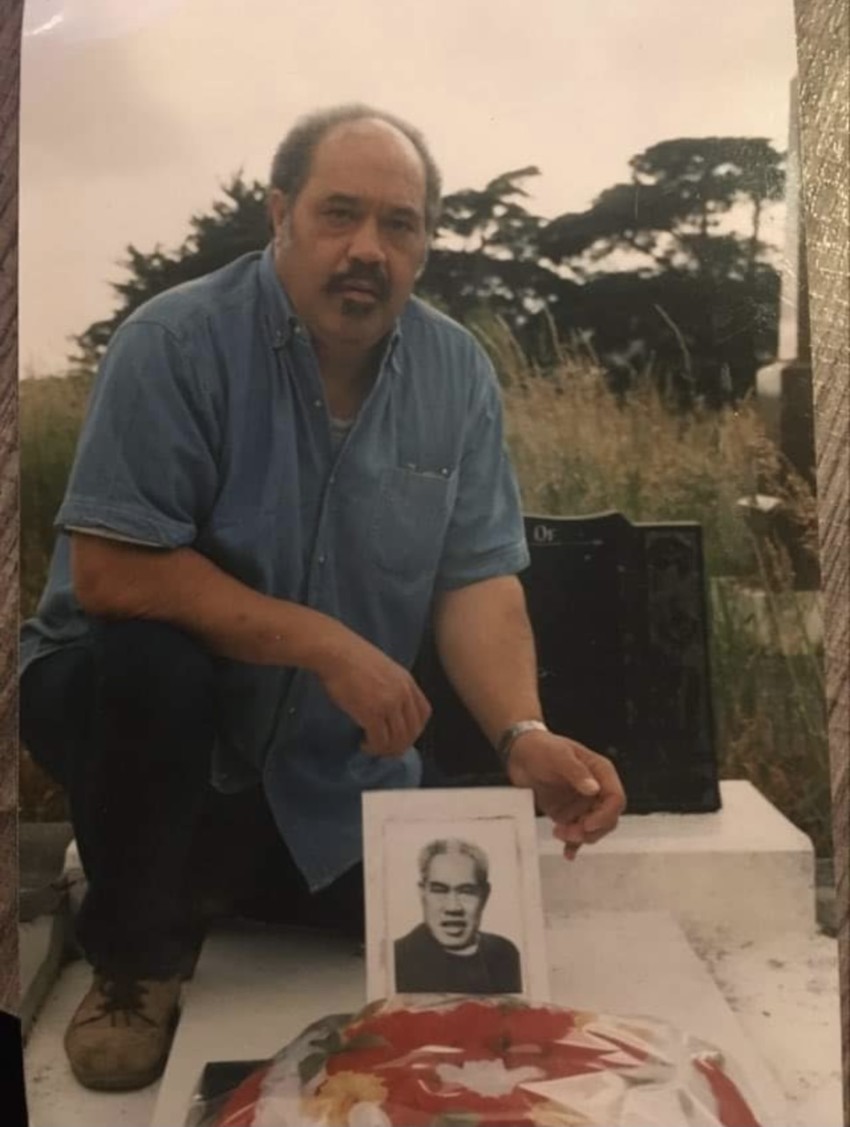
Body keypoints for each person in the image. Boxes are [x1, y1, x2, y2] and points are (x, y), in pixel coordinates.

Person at [19, 103, 626, 1092]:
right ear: (279, 214)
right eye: (339, 213)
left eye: (400, 224)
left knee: (369, 929)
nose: (366, 250)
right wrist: (326, 644)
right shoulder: (172, 342)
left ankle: (197, 859)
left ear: (426, 242)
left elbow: (476, 576)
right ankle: (134, 954)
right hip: (136, 701)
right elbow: (113, 573)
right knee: (146, 660)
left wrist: (523, 731)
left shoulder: (455, 373)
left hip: (317, 744)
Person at [394, 839, 521, 994]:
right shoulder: (397, 958)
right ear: (422, 893)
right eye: (439, 890)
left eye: (466, 891)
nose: (453, 907)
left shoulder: (505, 953)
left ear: (485, 895)